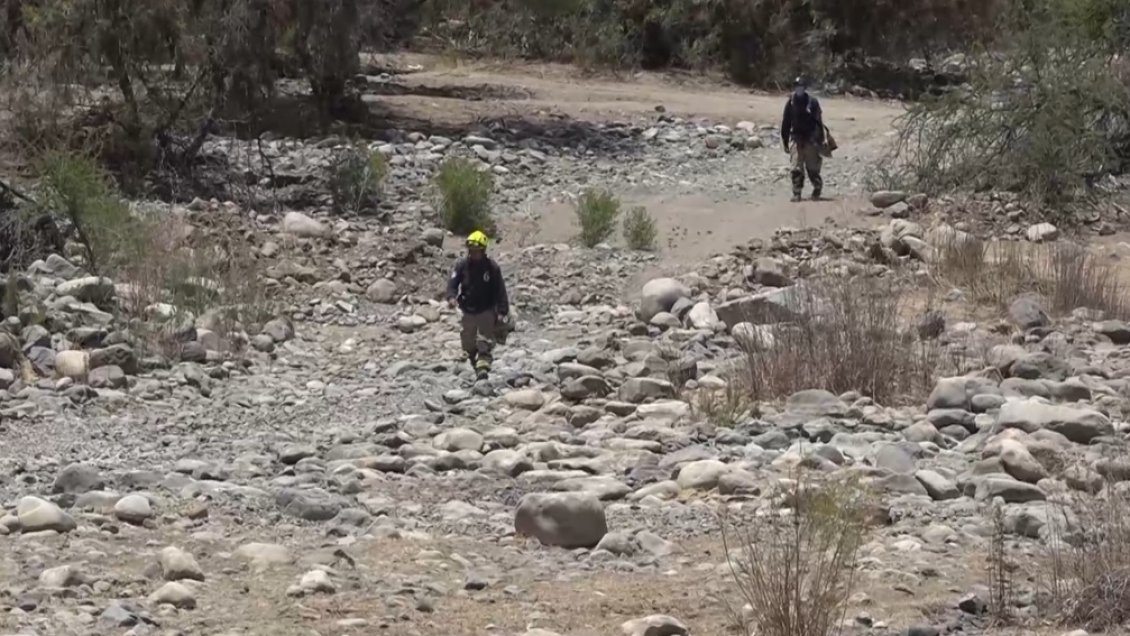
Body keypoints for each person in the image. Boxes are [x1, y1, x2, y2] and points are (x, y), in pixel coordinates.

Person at [446, 230, 510, 379]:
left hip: (486, 309)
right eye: (471, 251)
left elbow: (500, 289)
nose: (474, 254)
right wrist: (451, 297)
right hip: (467, 309)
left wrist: (502, 311)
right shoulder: (461, 266)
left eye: (477, 251)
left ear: (483, 250)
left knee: (484, 340)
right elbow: (452, 283)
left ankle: (483, 365)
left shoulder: (492, 268)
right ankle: (472, 358)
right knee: (467, 342)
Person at [780, 76, 825, 202]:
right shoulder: (791, 102)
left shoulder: (812, 102)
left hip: (810, 138)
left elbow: (818, 121)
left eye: (801, 87)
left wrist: (820, 139)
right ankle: (797, 192)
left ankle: (817, 188)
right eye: (796, 86)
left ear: (805, 88)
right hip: (796, 138)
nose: (798, 89)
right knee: (796, 167)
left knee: (812, 168)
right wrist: (785, 140)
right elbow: (786, 123)